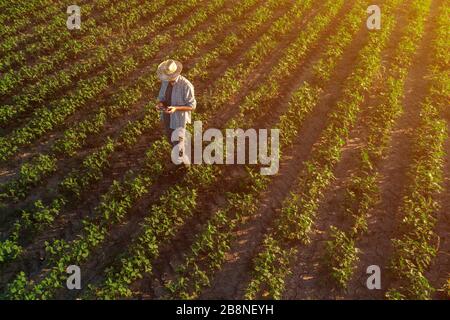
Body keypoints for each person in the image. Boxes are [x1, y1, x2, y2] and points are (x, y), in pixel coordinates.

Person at [155, 59, 196, 164]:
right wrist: (160, 104)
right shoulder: (165, 82)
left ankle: (182, 163)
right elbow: (161, 97)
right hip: (167, 116)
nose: (168, 79)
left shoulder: (186, 85)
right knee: (170, 138)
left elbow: (192, 106)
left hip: (179, 119)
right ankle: (178, 156)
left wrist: (176, 108)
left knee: (178, 141)